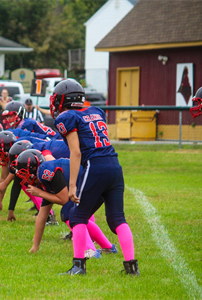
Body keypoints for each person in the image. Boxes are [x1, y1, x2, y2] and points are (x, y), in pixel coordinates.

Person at [51, 79, 139, 275]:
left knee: (77, 216)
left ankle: (78, 266)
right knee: (117, 219)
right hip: (115, 166)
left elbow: (75, 153)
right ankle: (132, 268)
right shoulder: (96, 111)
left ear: (63, 99)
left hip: (95, 166)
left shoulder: (67, 117)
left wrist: (72, 185)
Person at [13, 150, 117, 258]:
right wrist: (35, 246)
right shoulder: (43, 180)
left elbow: (63, 199)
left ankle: (90, 250)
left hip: (94, 182)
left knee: (69, 213)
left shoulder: (44, 171)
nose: (24, 178)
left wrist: (40, 193)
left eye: (24, 173)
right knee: (77, 216)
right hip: (94, 182)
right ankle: (108, 247)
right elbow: (42, 216)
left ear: (33, 168)